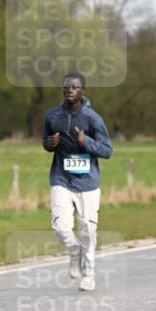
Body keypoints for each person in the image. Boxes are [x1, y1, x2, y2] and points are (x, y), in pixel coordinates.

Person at [42, 71, 113, 291]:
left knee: (87, 231)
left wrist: (86, 141)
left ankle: (89, 274)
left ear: (82, 90)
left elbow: (107, 150)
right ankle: (74, 251)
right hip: (61, 178)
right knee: (61, 227)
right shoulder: (52, 116)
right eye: (66, 87)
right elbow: (45, 142)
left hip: (88, 183)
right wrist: (49, 143)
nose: (69, 90)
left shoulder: (93, 118)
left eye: (74, 87)